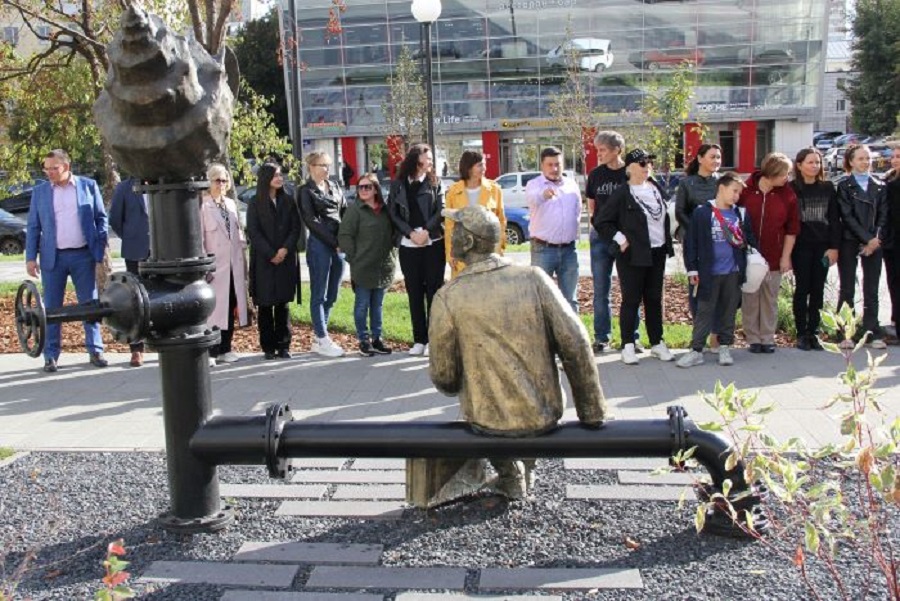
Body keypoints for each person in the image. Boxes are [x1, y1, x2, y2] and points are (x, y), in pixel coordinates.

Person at [429, 205, 606, 501]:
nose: (452, 234)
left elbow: (445, 379)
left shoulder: (448, 297)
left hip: (488, 420)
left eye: (456, 229)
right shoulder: (534, 278)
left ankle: (512, 475)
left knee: (482, 408)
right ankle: (521, 470)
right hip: (545, 411)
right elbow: (575, 341)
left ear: (469, 242)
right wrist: (592, 414)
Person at [25, 149, 109, 373]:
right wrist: (30, 258)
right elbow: (33, 227)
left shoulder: (87, 186)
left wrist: (99, 248)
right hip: (54, 258)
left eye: (54, 168)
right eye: (46, 168)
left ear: (66, 167)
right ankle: (51, 355)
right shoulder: (41, 192)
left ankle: (95, 350)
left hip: (83, 255)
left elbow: (101, 218)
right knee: (51, 308)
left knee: (89, 305)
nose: (49, 172)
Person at [596, 148, 675, 365]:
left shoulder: (655, 188)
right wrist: (620, 238)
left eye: (650, 162)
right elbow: (601, 221)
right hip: (632, 255)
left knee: (653, 299)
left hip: (657, 252)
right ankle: (628, 344)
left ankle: (657, 342)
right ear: (629, 167)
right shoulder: (623, 193)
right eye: (642, 163)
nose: (647, 166)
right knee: (631, 300)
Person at [677, 173, 756, 368]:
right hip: (708, 273)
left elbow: (750, 240)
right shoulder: (702, 213)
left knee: (729, 311)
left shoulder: (740, 214)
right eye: (734, 191)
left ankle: (725, 347)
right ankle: (696, 350)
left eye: (739, 192)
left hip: (733, 271)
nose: (737, 196)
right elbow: (692, 243)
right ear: (721, 188)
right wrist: (692, 270)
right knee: (704, 310)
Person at [738, 152, 799, 354]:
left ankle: (767, 337)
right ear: (772, 173)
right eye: (784, 174)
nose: (787, 178)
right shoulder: (746, 191)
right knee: (750, 297)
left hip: (775, 255)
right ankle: (753, 338)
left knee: (770, 298)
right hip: (749, 256)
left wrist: (786, 257)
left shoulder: (788, 195)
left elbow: (792, 229)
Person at [387, 143, 445, 356]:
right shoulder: (398, 185)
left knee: (434, 291)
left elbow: (441, 210)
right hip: (408, 244)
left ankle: (433, 339)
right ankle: (418, 339)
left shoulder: (435, 182)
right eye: (426, 158)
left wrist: (426, 231)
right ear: (415, 160)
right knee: (414, 292)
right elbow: (393, 213)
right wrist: (411, 233)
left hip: (432, 243)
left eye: (431, 159)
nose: (430, 162)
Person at [586, 130, 640, 353]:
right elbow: (591, 207)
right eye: (597, 150)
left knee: (630, 290)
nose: (598, 154)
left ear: (617, 150)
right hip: (601, 238)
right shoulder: (596, 175)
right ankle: (602, 337)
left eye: (603, 150)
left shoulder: (630, 174)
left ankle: (632, 338)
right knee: (601, 290)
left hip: (626, 240)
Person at [836, 144, 889, 348]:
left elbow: (884, 215)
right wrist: (865, 238)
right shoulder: (844, 186)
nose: (865, 162)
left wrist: (875, 240)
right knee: (848, 287)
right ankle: (845, 333)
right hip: (850, 240)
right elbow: (846, 216)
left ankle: (872, 332)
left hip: (875, 243)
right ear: (851, 161)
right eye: (861, 158)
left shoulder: (880, 185)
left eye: (868, 158)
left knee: (871, 288)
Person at [246, 162, 301, 360]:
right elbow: (253, 231)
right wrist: (271, 253)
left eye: (281, 175)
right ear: (266, 178)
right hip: (264, 261)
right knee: (266, 304)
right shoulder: (255, 202)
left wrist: (285, 249)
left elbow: (296, 228)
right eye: (276, 175)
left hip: (284, 260)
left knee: (282, 304)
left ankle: (284, 345)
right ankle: (268, 347)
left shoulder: (288, 201)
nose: (280, 178)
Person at [338, 172, 396, 356]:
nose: (363, 190)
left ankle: (377, 339)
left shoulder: (385, 210)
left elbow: (394, 232)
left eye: (367, 187)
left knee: (377, 305)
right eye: (360, 187)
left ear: (376, 189)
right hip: (362, 267)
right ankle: (363, 340)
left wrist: (394, 253)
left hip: (383, 266)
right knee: (362, 304)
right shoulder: (355, 210)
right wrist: (354, 257)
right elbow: (345, 236)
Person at [789, 148, 841, 351]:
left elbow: (835, 221)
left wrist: (834, 247)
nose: (814, 166)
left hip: (823, 248)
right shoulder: (792, 188)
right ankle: (802, 333)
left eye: (817, 162)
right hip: (801, 247)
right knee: (802, 289)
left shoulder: (827, 188)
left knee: (818, 289)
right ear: (799, 165)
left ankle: (814, 331)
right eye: (810, 162)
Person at [200, 163, 250, 366]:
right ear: (209, 182)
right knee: (214, 309)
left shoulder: (230, 204)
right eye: (217, 180)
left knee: (230, 305)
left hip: (233, 264)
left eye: (224, 180)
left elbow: (237, 234)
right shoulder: (203, 206)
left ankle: (226, 348)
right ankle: (211, 351)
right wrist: (205, 266)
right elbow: (200, 238)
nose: (221, 184)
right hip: (215, 267)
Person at [299, 151, 347, 357]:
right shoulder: (305, 191)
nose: (327, 169)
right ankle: (322, 337)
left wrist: (345, 240)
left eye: (328, 165)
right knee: (319, 292)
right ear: (311, 167)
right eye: (322, 165)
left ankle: (321, 336)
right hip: (320, 244)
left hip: (339, 245)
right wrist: (333, 242)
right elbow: (312, 221)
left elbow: (344, 212)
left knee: (333, 293)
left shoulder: (335, 187)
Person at [674, 143, 723, 349]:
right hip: (694, 242)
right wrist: (696, 232)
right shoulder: (687, 183)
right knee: (697, 286)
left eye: (719, 158)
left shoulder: (722, 182)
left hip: (720, 241)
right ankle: (699, 334)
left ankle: (717, 335)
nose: (716, 161)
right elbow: (680, 212)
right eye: (712, 157)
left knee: (720, 287)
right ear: (700, 158)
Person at [525, 147, 582, 313]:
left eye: (558, 164)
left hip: (569, 250)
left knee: (570, 299)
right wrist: (544, 194)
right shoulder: (534, 185)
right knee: (539, 298)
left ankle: (573, 338)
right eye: (549, 165)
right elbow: (532, 198)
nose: (554, 169)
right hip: (543, 249)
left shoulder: (571, 184)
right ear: (542, 166)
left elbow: (578, 210)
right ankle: (541, 338)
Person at [443, 149, 506, 277]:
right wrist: (450, 253)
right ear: (468, 167)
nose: (484, 168)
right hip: (462, 255)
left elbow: (501, 221)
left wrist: (499, 249)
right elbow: (449, 226)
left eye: (484, 164)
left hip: (488, 255)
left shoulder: (495, 190)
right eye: (480, 165)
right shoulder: (453, 191)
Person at [109, 176, 149, 367]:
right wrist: (133, 236)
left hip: (163, 251)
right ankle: (136, 349)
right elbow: (115, 219)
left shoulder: (162, 181)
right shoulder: (125, 188)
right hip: (135, 251)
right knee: (135, 301)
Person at [884, 146, 900, 337]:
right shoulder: (888, 180)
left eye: (899, 157)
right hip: (891, 240)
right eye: (894, 156)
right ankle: (896, 319)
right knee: (893, 280)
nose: (895, 160)